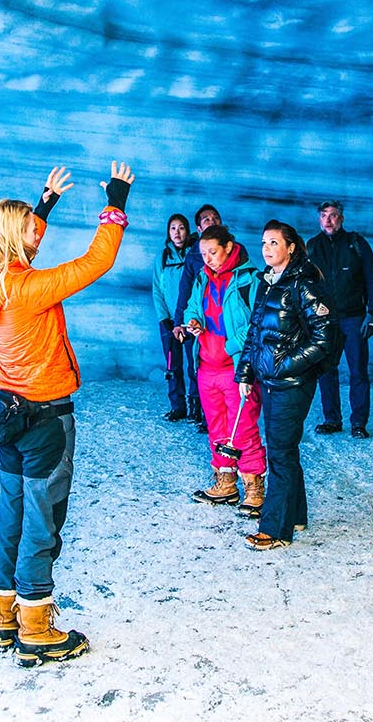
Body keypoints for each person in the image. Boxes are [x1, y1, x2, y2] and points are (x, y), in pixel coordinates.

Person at [0, 162, 134, 667]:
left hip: (10, 415)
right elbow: (96, 261)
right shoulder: (28, 289)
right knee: (43, 518)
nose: (34, 237)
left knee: (11, 513)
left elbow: (23, 249)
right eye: (27, 230)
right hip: (46, 419)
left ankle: (3, 617)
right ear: (13, 238)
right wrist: (116, 204)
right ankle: (36, 625)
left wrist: (44, 205)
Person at [236, 221, 339, 550]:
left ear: (291, 247)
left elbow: (325, 338)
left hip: (291, 383)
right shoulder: (268, 283)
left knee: (279, 453)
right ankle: (295, 515)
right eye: (264, 243)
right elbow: (255, 333)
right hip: (269, 381)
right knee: (284, 451)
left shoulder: (304, 284)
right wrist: (246, 372)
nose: (267, 249)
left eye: (274, 243)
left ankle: (275, 529)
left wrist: (284, 365)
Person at [180, 224, 266, 514]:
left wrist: (230, 346)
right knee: (216, 426)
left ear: (229, 247)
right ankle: (225, 483)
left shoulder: (250, 279)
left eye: (212, 252)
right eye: (203, 253)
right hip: (207, 365)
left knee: (242, 427)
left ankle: (254, 486)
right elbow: (192, 307)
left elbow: (258, 324)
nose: (207, 258)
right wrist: (193, 321)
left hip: (236, 368)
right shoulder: (202, 278)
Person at [307, 200, 373, 439]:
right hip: (324, 321)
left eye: (333, 215)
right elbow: (305, 284)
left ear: (342, 218)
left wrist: (372, 313)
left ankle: (358, 422)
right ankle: (332, 419)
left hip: (353, 318)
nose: (328, 220)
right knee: (326, 371)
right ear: (319, 219)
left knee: (358, 371)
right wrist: (308, 315)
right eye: (324, 215)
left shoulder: (356, 243)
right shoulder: (312, 246)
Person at [172, 204, 223, 431]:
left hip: (225, 322)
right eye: (206, 219)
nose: (211, 221)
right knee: (199, 368)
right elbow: (185, 290)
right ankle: (203, 413)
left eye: (215, 217)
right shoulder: (194, 256)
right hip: (199, 321)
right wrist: (179, 322)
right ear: (199, 228)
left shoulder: (236, 250)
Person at [152, 213, 192, 421]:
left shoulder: (194, 254)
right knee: (172, 364)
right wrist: (163, 318)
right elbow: (157, 290)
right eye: (173, 228)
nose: (177, 232)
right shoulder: (163, 257)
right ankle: (178, 406)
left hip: (191, 319)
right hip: (169, 319)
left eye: (181, 228)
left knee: (195, 364)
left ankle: (197, 406)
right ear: (168, 232)